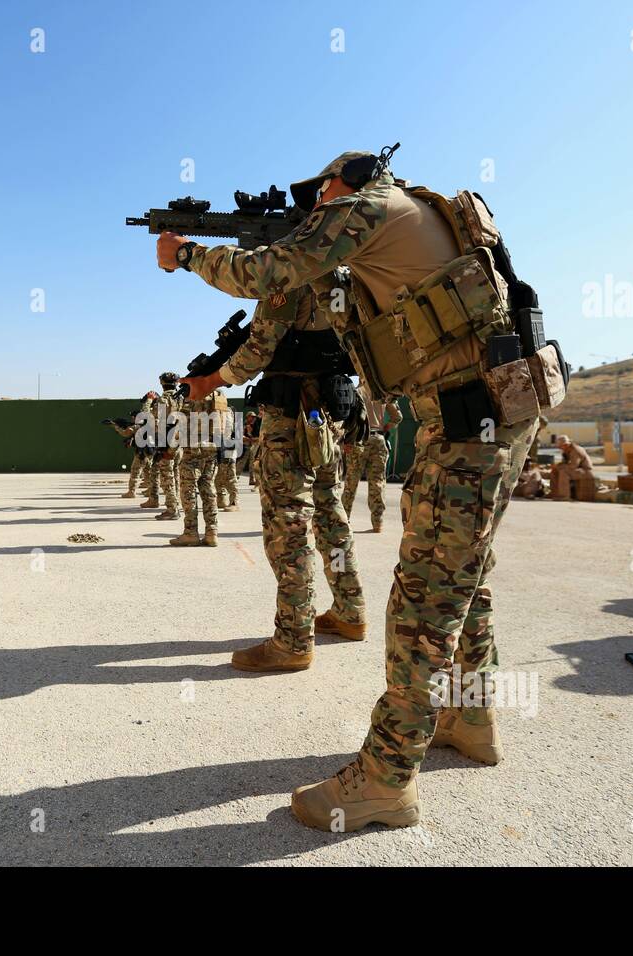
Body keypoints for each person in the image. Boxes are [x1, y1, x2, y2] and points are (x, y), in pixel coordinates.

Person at [163, 148, 539, 830]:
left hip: (467, 422)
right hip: (496, 410)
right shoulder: (420, 215)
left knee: (423, 601)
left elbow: (270, 272)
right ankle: (471, 717)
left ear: (352, 183)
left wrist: (186, 254)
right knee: (464, 582)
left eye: (322, 192)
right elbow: (317, 294)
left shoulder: (368, 209)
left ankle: (386, 781)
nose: (316, 206)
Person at [171, 285, 367, 671]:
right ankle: (350, 611)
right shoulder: (347, 277)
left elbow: (257, 351)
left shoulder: (293, 276)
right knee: (330, 513)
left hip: (292, 413)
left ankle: (293, 640)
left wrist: (211, 380)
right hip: (333, 409)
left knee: (287, 523)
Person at [341, 386, 404, 532]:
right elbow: (398, 416)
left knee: (351, 481)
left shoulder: (355, 392)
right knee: (378, 482)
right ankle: (378, 523)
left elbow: (347, 417)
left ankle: (344, 521)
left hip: (359, 439)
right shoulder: (382, 392)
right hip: (378, 438)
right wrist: (388, 426)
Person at [170, 391, 221, 546]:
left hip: (192, 450)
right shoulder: (218, 396)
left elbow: (180, 424)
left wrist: (171, 449)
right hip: (211, 449)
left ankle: (190, 532)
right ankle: (212, 533)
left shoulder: (192, 394)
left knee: (188, 492)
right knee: (209, 491)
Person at [153, 373, 183, 520]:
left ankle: (172, 509)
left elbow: (156, 421)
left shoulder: (163, 399)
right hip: (181, 441)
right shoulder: (183, 397)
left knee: (167, 476)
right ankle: (177, 504)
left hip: (168, 440)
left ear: (162, 383)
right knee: (176, 473)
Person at [214, 393, 241, 511]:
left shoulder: (230, 411)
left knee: (230, 475)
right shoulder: (214, 412)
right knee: (217, 475)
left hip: (228, 445)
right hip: (218, 445)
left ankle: (234, 502)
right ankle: (221, 500)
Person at [551, 435, 595, 500]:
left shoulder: (576, 450)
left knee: (563, 472)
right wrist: (556, 467)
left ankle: (565, 496)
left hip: (585, 471)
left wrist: (559, 467)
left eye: (561, 446)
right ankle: (555, 493)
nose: (560, 448)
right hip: (576, 470)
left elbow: (573, 466)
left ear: (566, 445)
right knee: (554, 472)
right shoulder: (566, 451)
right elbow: (564, 463)